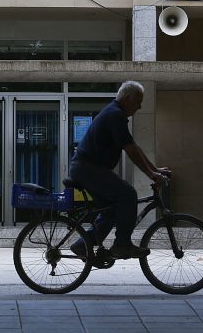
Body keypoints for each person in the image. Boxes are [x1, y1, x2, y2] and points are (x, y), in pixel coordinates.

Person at [69, 81, 171, 260]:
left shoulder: (115, 113)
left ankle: (82, 244)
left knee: (111, 210)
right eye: (138, 101)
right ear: (127, 98)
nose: (139, 106)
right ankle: (122, 245)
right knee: (128, 194)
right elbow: (130, 150)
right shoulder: (114, 115)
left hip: (87, 168)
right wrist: (151, 175)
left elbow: (134, 147)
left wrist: (155, 169)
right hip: (87, 169)